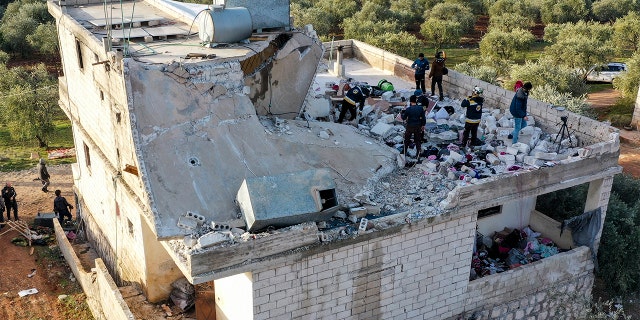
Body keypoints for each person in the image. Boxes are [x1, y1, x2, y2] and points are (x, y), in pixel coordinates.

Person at [401, 95, 426, 162]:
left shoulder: (408, 109)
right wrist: (423, 125)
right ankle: (418, 155)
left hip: (409, 126)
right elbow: (423, 118)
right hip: (418, 126)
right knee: (418, 140)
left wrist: (402, 113)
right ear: (416, 101)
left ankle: (404, 153)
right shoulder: (420, 108)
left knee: (406, 140)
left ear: (410, 101)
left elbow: (403, 118)